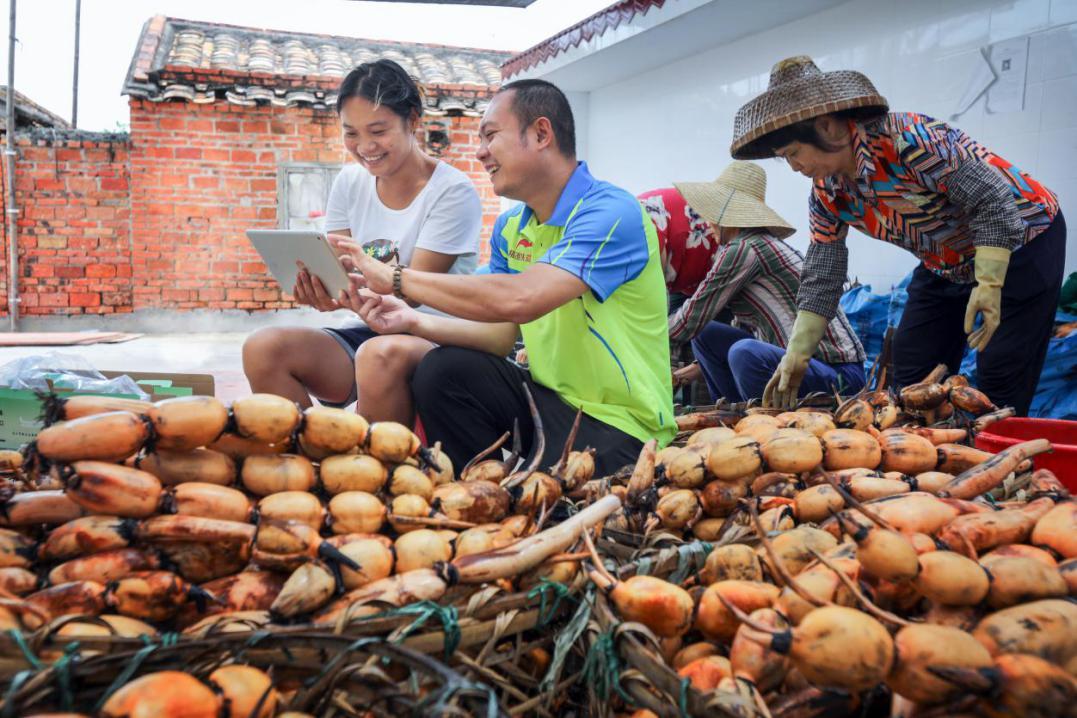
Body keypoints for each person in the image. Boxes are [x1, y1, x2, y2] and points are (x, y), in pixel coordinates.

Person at [331, 79, 675, 475]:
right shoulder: (511, 226)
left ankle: (521, 487)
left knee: (555, 499)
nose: (479, 152)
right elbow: (499, 335)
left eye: (491, 135)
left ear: (541, 133)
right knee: (443, 370)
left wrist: (395, 278)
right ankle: (475, 488)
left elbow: (521, 298)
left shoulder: (612, 212)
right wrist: (411, 320)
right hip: (549, 403)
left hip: (621, 425)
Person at [731, 56, 1065, 414]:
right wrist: (797, 354)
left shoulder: (910, 140)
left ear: (827, 127)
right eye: (785, 158)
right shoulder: (826, 192)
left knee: (1000, 372)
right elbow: (822, 274)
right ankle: (923, 455)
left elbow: (991, 200)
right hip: (947, 261)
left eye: (794, 153)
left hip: (1023, 239)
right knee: (911, 371)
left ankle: (996, 454)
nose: (795, 167)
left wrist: (989, 283)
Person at [242, 59, 481, 419]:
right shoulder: (350, 182)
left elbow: (411, 296)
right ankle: (314, 460)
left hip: (432, 338)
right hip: (369, 329)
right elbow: (342, 269)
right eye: (351, 133)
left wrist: (347, 294)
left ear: (412, 120)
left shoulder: (452, 191)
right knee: (263, 348)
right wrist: (328, 291)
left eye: (378, 131)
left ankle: (368, 470)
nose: (365, 146)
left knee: (377, 356)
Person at [639, 160, 865, 404]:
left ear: (729, 217)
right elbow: (733, 327)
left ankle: (762, 421)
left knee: (743, 353)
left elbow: (692, 317)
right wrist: (690, 370)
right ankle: (731, 410)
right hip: (801, 365)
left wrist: (637, 342)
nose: (709, 223)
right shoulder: (751, 246)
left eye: (714, 216)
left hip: (839, 376)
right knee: (708, 335)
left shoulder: (745, 249)